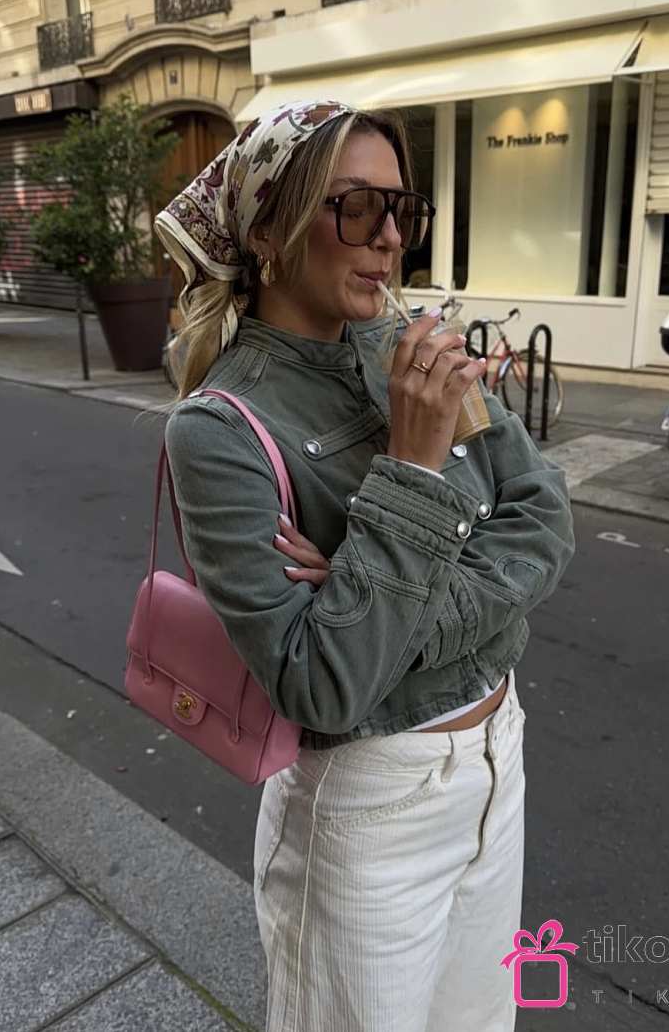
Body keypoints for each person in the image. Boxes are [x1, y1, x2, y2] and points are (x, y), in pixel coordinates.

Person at [155, 100, 575, 1032]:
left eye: (401, 208)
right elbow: (326, 684)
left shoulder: (407, 349)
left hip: (497, 759)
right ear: (268, 231)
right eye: (354, 207)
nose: (390, 238)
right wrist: (413, 468)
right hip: (368, 812)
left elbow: (546, 521)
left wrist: (370, 584)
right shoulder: (219, 428)